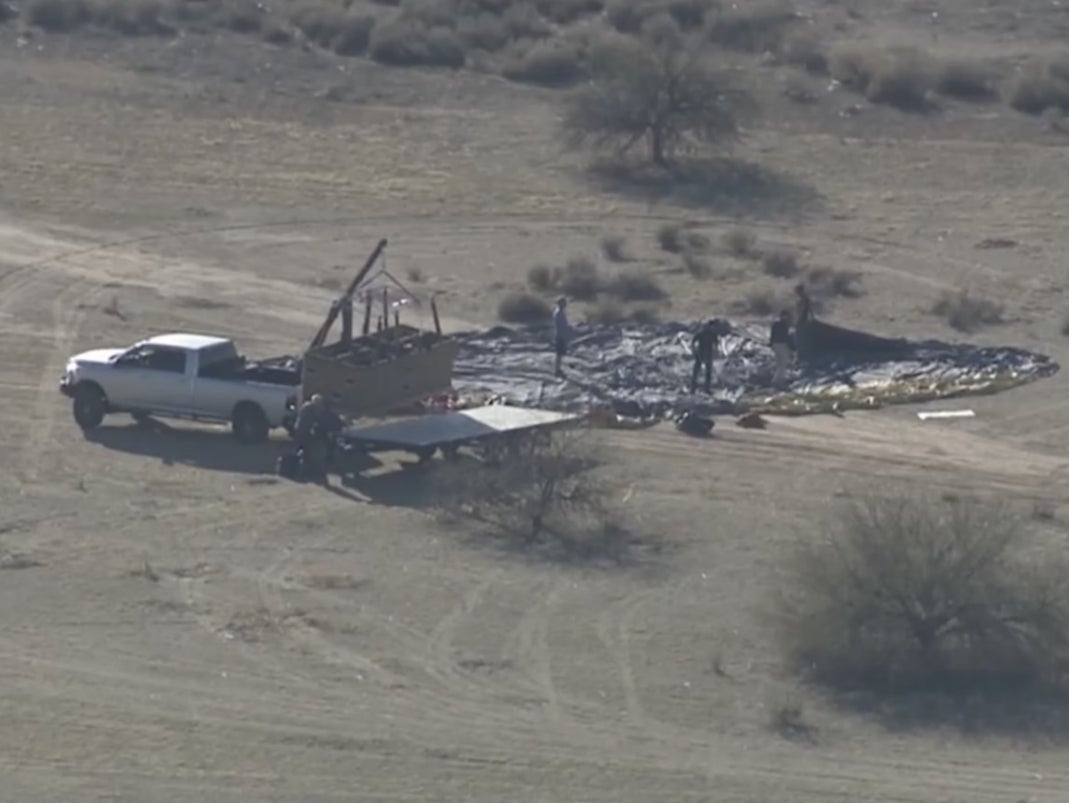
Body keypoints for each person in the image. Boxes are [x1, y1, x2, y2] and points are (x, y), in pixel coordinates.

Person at [293, 393, 339, 484]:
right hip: (304, 433)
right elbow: (310, 423)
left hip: (300, 432)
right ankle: (304, 474)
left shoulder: (307, 407)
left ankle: (303, 473)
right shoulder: (309, 409)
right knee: (308, 453)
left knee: (304, 452)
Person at [690, 319, 721, 394]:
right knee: (697, 372)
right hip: (701, 354)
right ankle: (693, 389)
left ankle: (705, 389)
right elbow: (693, 341)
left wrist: (716, 351)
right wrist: (693, 350)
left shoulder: (711, 334)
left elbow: (716, 344)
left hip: (706, 354)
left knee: (706, 373)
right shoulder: (703, 333)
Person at [770, 310, 795, 388]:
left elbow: (772, 335)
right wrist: (792, 347)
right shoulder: (784, 325)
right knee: (783, 364)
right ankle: (778, 382)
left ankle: (776, 380)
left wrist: (771, 344)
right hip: (782, 344)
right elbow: (786, 336)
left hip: (776, 345)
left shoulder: (775, 324)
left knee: (779, 364)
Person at [552, 296, 572, 378]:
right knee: (559, 354)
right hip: (560, 335)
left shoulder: (559, 312)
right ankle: (557, 370)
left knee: (560, 354)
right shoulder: (559, 313)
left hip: (560, 335)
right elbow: (561, 326)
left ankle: (558, 369)